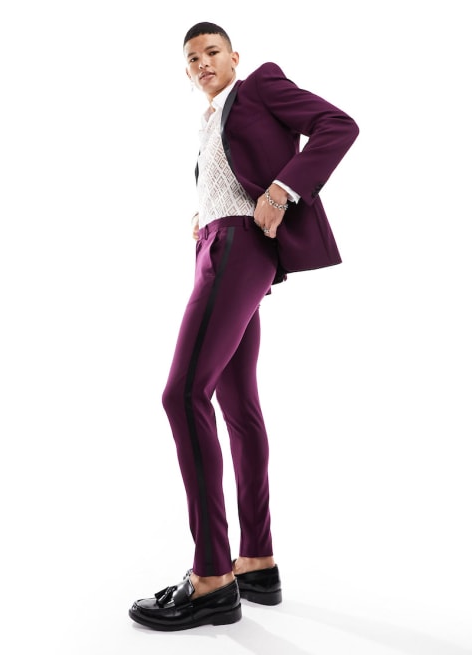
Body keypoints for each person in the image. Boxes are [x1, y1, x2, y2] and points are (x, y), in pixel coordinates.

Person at [129, 21, 359, 631]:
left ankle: (211, 577)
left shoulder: (259, 86)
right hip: (218, 245)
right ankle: (256, 560)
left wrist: (282, 191)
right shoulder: (210, 120)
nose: (202, 62)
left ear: (234, 56)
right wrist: (202, 217)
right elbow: (234, 174)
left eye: (212, 52)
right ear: (186, 71)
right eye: (192, 58)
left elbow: (338, 125)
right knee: (237, 405)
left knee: (182, 395)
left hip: (237, 248)